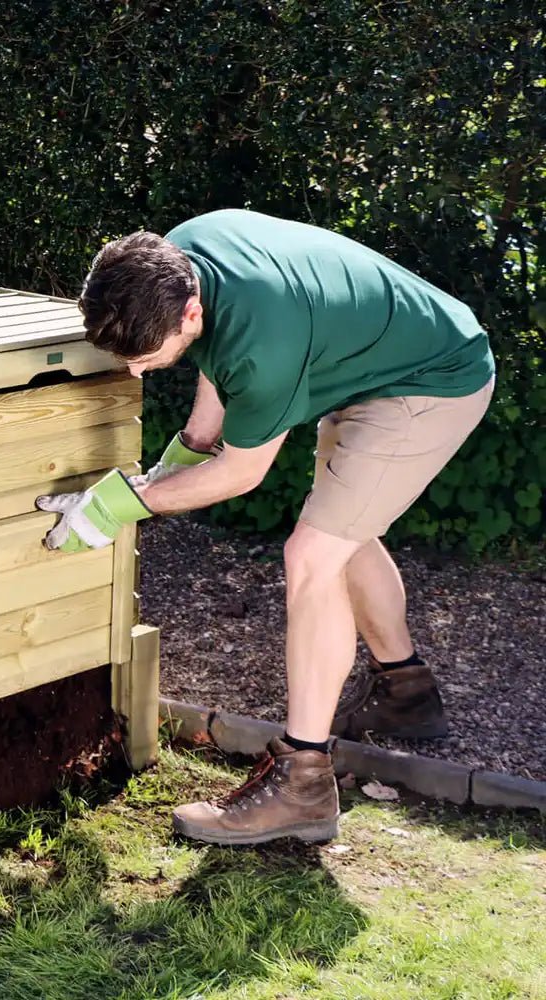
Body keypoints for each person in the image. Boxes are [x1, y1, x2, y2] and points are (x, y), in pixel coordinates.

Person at [35, 209, 495, 846]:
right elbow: (217, 374)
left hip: (431, 380)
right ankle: (408, 693)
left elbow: (240, 473)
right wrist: (176, 462)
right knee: (343, 530)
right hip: (377, 358)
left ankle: (303, 782)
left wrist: (119, 505)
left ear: (187, 314)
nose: (136, 371)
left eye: (144, 357)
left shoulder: (265, 343)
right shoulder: (179, 256)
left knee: (313, 554)